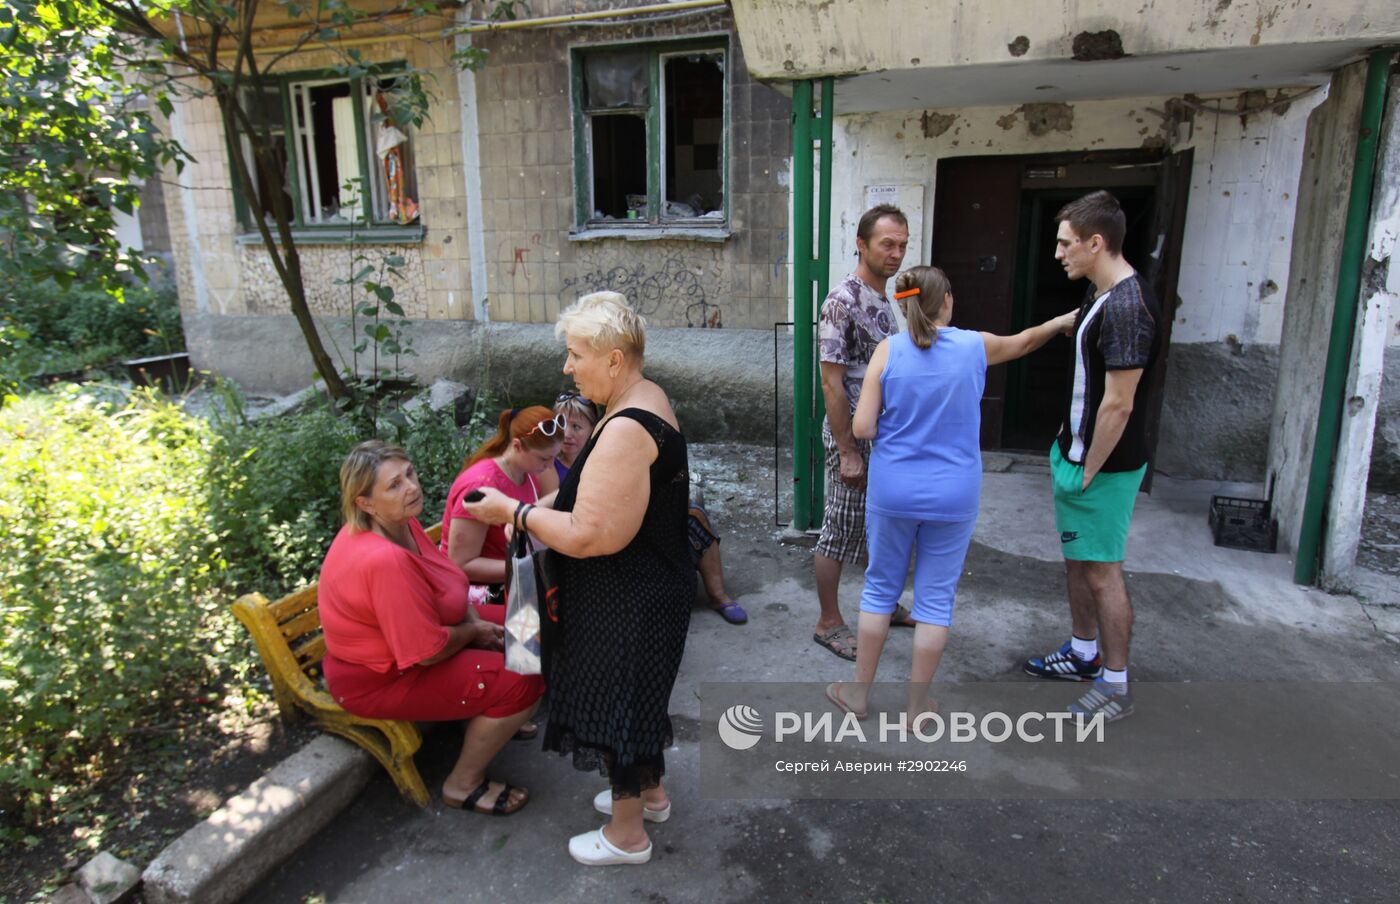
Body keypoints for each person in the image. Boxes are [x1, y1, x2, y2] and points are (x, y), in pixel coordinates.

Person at [465, 291, 692, 866]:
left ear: (613, 359)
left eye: (575, 355)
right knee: (639, 701)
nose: (567, 367)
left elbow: (593, 535)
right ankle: (651, 796)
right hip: (648, 587)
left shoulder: (622, 429)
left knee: (621, 705)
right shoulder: (648, 396)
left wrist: (511, 513)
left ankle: (627, 835)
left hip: (628, 597)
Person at [825, 267, 1076, 721]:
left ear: (904, 306)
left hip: (893, 488)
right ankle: (919, 707)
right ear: (946, 302)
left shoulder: (889, 350)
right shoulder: (974, 346)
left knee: (880, 590)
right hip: (954, 494)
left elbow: (861, 427)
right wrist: (1060, 323)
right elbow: (1024, 341)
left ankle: (858, 696)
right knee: (935, 600)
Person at [319, 440, 543, 815]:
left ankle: (496, 715)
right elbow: (428, 653)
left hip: (425, 637)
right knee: (527, 676)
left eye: (409, 473)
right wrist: (474, 633)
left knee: (527, 621)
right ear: (365, 503)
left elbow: (449, 581)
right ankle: (463, 783)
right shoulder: (383, 561)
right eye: (394, 485)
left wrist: (473, 619)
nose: (411, 487)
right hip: (383, 679)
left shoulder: (398, 523)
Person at [1020, 190, 1163, 724]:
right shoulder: (1101, 295)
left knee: (1103, 573)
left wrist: (1088, 470)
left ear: (1095, 243)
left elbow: (1119, 404)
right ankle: (1083, 655)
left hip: (1101, 467)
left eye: (1065, 244)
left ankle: (1117, 685)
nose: (1058, 254)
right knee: (1079, 565)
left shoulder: (1128, 305)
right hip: (1076, 456)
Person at [813, 203, 912, 661]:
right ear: (861, 244)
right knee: (839, 527)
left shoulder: (882, 300)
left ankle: (885, 603)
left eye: (902, 245)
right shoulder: (843, 301)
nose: (895, 254)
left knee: (879, 526)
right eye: (886, 244)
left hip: (881, 438)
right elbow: (831, 381)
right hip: (852, 440)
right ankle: (828, 622)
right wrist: (848, 450)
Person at [555, 390, 748, 625]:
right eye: (561, 424)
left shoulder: (604, 451)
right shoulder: (547, 462)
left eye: (576, 427)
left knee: (694, 515)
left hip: (624, 522)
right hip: (590, 536)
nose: (567, 434)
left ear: (594, 429)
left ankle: (718, 595)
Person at [441, 406, 563, 607]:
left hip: (513, 579)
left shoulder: (528, 471)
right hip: (478, 594)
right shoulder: (481, 484)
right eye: (544, 458)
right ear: (517, 446)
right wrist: (531, 565)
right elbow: (461, 564)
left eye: (554, 457)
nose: (550, 465)